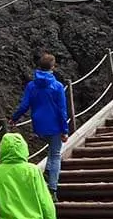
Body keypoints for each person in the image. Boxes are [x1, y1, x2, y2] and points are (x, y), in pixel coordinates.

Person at [9, 52, 70, 201]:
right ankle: (52, 189)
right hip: (55, 125)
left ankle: (48, 171)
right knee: (56, 155)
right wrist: (65, 130)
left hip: (38, 125)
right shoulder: (57, 86)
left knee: (50, 149)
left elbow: (24, 105)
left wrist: (14, 119)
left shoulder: (31, 86)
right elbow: (62, 111)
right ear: (53, 67)